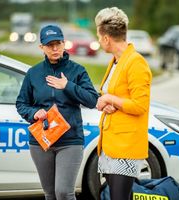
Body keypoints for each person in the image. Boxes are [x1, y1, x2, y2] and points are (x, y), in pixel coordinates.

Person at [16, 24, 98, 200]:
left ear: (64, 44)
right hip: (41, 142)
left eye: (58, 44)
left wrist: (67, 85)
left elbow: (92, 100)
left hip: (70, 141)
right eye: (49, 45)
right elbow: (22, 103)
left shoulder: (77, 71)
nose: (54, 48)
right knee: (50, 194)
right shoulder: (33, 73)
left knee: (63, 192)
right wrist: (34, 113)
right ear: (42, 47)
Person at [95, 7, 152, 200]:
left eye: (98, 35)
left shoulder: (136, 63)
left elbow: (139, 105)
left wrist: (111, 100)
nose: (98, 40)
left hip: (125, 147)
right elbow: (116, 95)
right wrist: (107, 102)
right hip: (111, 144)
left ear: (106, 38)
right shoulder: (116, 61)